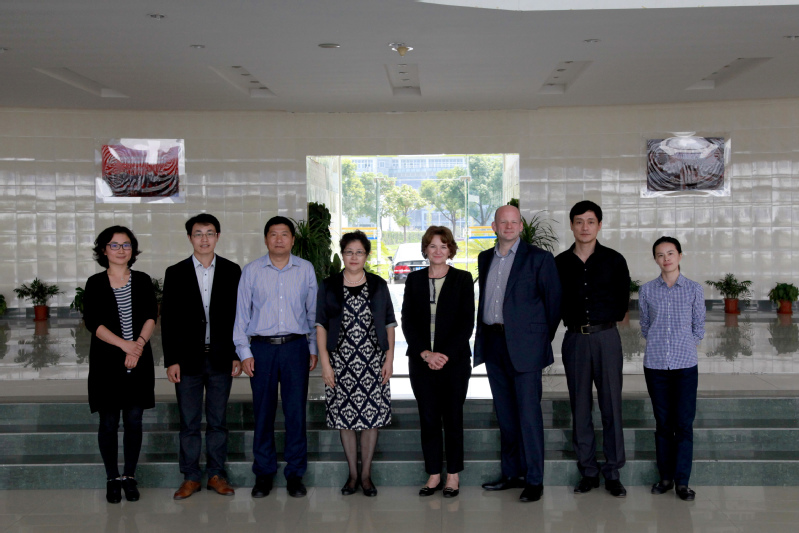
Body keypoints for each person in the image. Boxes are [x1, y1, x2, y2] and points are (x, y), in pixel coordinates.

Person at [476, 205, 562, 503]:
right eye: (503, 222)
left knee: (528, 415)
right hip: (494, 344)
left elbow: (553, 305)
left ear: (521, 226)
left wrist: (538, 340)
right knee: (506, 416)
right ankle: (511, 474)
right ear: (494, 226)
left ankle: (534, 480)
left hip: (526, 348)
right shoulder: (485, 258)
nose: (509, 226)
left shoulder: (539, 258)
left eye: (514, 222)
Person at [233, 216, 318, 498]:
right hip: (262, 349)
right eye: (273, 234)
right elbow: (241, 316)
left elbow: (313, 313)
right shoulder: (252, 271)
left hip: (295, 348)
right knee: (263, 412)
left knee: (296, 413)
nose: (279, 239)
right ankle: (264, 473)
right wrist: (244, 352)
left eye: (284, 234)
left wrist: (312, 348)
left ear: (293, 239)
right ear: (266, 239)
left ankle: (295, 474)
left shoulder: (305, 269)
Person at [161, 213, 242, 500]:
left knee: (218, 421)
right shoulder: (176, 272)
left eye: (209, 233)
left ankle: (216, 474)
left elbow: (239, 316)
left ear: (218, 236)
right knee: (189, 422)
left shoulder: (232, 271)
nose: (204, 239)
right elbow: (168, 319)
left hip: (221, 358)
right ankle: (191, 477)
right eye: (198, 233)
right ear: (189, 238)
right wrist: (171, 360)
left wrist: (236, 354)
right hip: (187, 361)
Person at [555, 200, 630, 497]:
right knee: (580, 406)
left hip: (606, 338)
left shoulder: (614, 260)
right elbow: (553, 303)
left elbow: (622, 303)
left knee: (611, 404)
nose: (584, 227)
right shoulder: (560, 263)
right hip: (575, 340)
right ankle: (587, 470)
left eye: (590, 221)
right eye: (579, 221)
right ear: (571, 225)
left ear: (599, 225)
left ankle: (612, 471)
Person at [316, 230, 395, 497]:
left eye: (359, 252)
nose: (354, 257)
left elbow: (390, 323)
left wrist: (389, 359)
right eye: (349, 252)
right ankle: (352, 475)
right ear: (342, 254)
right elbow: (321, 325)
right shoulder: (329, 285)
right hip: (340, 363)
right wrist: (325, 364)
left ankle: (366, 476)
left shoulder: (378, 285)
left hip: (373, 362)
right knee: (345, 420)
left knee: (371, 419)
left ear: (366, 256)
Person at [84, 226, 157, 504]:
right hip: (106, 362)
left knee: (134, 420)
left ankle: (129, 476)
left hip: (139, 358)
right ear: (104, 250)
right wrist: (124, 345)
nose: (121, 250)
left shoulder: (142, 280)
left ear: (132, 250)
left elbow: (151, 316)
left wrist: (137, 346)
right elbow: (93, 323)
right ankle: (112, 478)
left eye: (126, 245)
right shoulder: (95, 282)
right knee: (109, 421)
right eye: (114, 245)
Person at [402, 226, 474, 498]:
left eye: (443, 246)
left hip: (454, 363)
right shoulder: (414, 280)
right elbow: (407, 320)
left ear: (450, 250)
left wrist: (443, 356)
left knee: (453, 418)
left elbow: (467, 323)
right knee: (429, 418)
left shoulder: (463, 279)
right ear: (425, 249)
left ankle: (453, 475)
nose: (438, 251)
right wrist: (425, 353)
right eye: (432, 246)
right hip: (421, 363)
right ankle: (433, 474)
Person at [639, 236, 705, 501]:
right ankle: (665, 477)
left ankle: (682, 482)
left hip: (685, 366)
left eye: (670, 253)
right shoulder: (647, 291)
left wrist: (683, 345)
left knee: (684, 424)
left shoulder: (694, 289)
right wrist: (661, 345)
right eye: (660, 254)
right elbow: (645, 325)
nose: (666, 258)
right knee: (663, 423)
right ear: (655, 259)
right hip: (655, 365)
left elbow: (699, 327)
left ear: (679, 255)